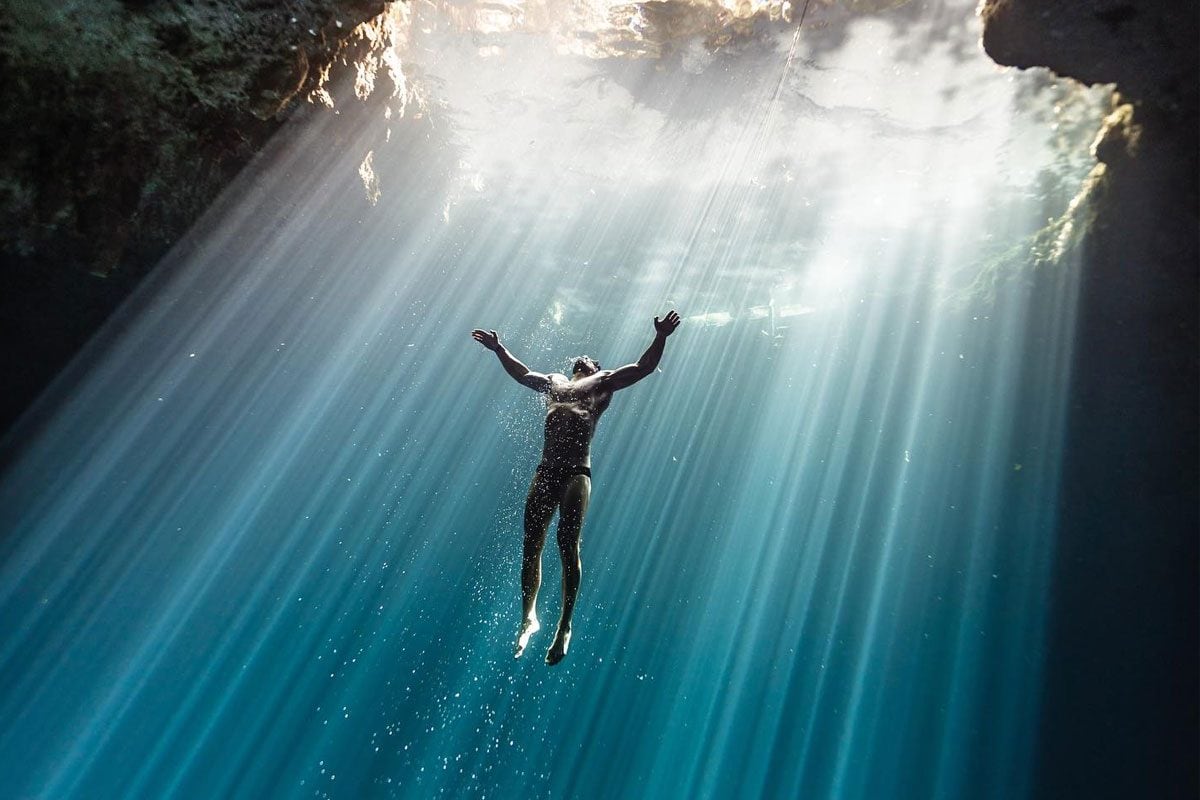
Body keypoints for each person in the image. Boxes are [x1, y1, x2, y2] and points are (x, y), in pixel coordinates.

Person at [471, 310, 681, 665]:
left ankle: (564, 625)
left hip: (575, 473)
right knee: (531, 545)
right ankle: (528, 617)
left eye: (592, 359)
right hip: (547, 470)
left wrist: (660, 337)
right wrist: (499, 349)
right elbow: (523, 374)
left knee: (567, 546)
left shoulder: (603, 382)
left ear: (597, 368)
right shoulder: (555, 381)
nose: (585, 357)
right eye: (582, 358)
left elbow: (643, 368)